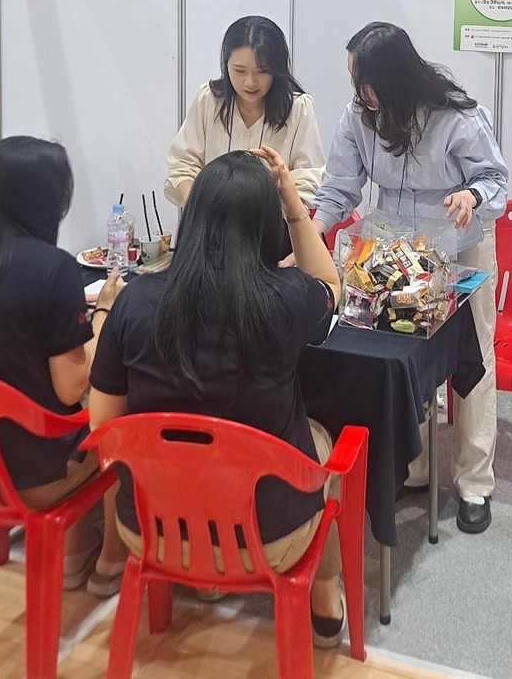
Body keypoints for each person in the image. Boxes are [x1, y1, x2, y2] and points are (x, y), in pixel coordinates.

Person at [89, 146, 348, 647]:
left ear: (192, 218)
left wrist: (104, 314)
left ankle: (203, 578)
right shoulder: (286, 299)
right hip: (265, 539)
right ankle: (324, 599)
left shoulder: (136, 300)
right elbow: (328, 283)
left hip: (150, 531)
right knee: (322, 444)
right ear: (265, 226)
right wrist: (293, 202)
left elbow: (104, 428)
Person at [311, 22, 508, 534]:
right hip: (395, 251)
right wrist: (309, 235)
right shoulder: (359, 116)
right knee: (403, 354)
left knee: (472, 359)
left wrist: (472, 196)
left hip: (460, 245)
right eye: (355, 81)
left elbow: (495, 180)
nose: (360, 93)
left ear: (396, 78)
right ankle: (415, 468)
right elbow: (338, 188)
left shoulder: (456, 116)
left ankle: (474, 483)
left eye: (367, 82)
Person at [0, 136, 126, 596]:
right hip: (35, 477)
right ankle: (109, 561)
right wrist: (105, 312)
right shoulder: (53, 269)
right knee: (122, 411)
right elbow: (70, 385)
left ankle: (76, 551)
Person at [165, 15, 325, 210]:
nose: (250, 82)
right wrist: (202, 212)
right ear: (226, 65)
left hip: (274, 222)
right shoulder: (209, 99)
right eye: (240, 71)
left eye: (262, 71)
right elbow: (182, 165)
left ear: (277, 69)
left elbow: (308, 179)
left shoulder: (298, 108)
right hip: (212, 220)